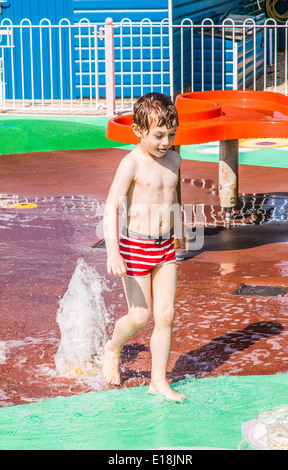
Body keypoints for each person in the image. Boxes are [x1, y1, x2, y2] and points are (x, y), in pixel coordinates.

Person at [102, 92, 185, 401]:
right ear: (138, 131)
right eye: (159, 135)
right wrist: (113, 252)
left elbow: (173, 196)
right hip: (135, 247)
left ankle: (158, 381)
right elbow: (111, 207)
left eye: (171, 135)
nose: (166, 142)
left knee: (165, 314)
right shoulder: (131, 163)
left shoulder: (175, 159)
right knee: (140, 316)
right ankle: (113, 346)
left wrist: (181, 230)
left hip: (165, 248)